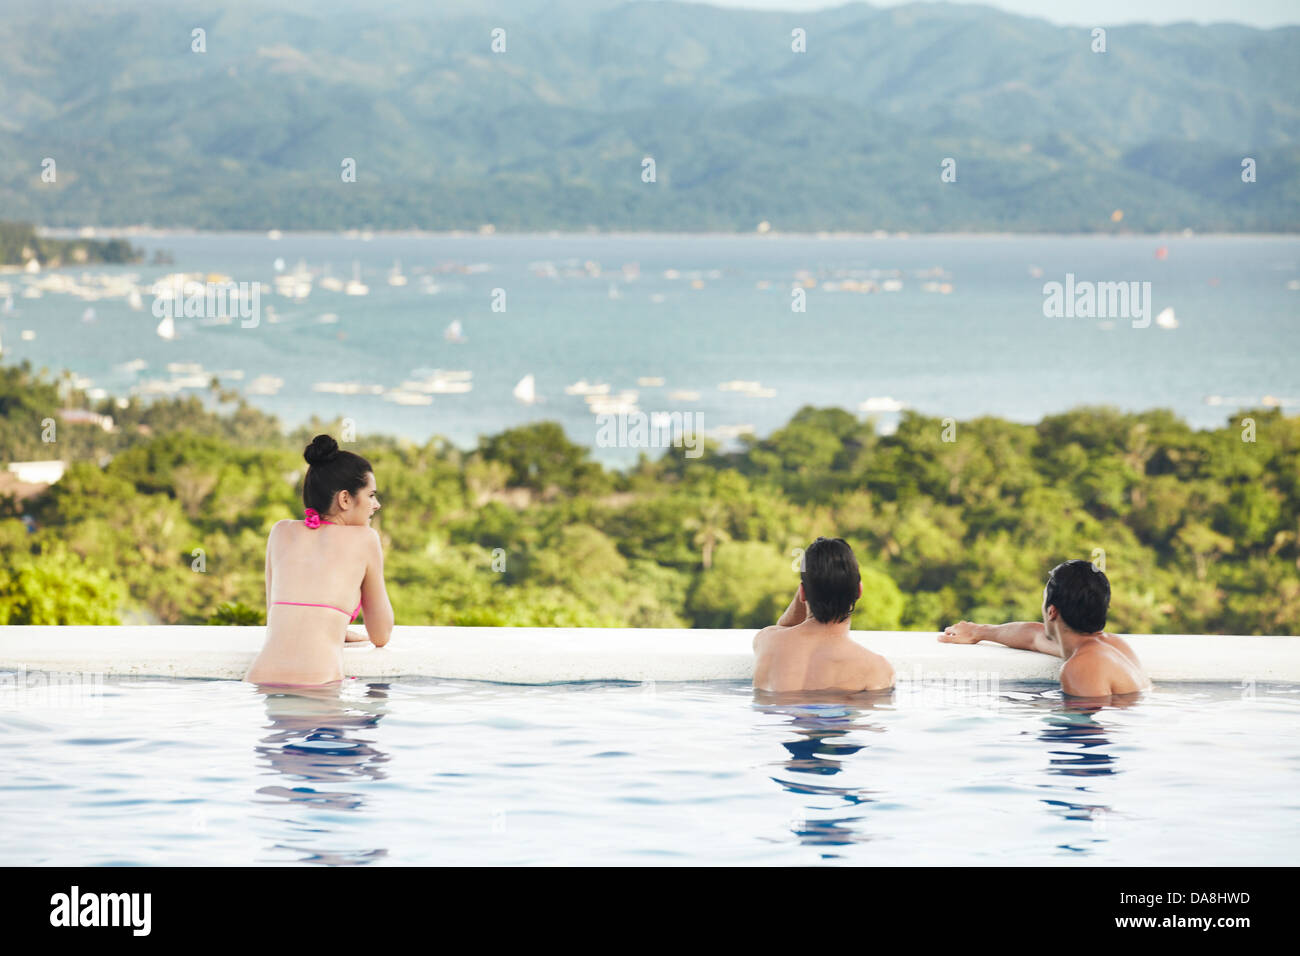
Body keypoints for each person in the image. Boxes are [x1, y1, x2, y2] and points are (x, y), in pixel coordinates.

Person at [245, 434, 394, 686]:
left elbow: (278, 618)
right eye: (371, 495)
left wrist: (331, 625)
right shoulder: (366, 539)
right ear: (345, 499)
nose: (376, 504)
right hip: (318, 685)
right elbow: (380, 635)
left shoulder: (280, 532)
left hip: (259, 680)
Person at [939, 559, 1150, 698]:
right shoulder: (1110, 645)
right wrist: (979, 631)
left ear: (1052, 612)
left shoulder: (1082, 667)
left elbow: (1083, 743)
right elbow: (1033, 636)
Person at [752, 537, 894, 693]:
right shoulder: (876, 670)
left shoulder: (766, 641)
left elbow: (784, 627)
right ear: (859, 591)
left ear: (802, 592)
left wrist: (809, 586)